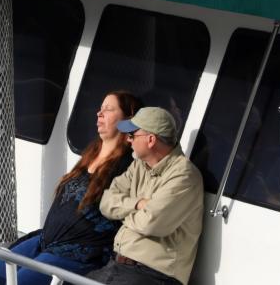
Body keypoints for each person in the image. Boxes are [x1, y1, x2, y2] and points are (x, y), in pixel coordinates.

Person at [0, 91, 142, 284]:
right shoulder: (90, 154)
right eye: (100, 108)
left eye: (109, 109)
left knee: (22, 282)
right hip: (46, 240)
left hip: (80, 252)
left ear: (127, 120)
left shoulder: (127, 168)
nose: (99, 113)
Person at [87, 107, 203, 285]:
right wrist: (139, 204)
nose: (128, 140)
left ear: (151, 140)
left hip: (154, 275)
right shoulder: (139, 165)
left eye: (132, 135)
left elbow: (151, 224)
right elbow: (106, 202)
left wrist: (124, 214)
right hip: (120, 266)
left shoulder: (184, 175)